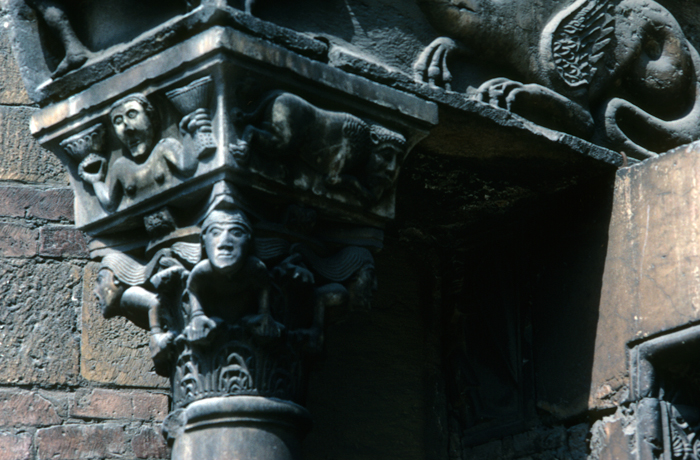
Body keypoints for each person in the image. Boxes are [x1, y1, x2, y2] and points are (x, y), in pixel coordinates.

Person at [78, 93, 201, 211]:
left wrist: (189, 134)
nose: (127, 127)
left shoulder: (164, 147)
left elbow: (189, 167)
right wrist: (96, 181)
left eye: (132, 114)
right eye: (118, 121)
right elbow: (110, 204)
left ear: (152, 118)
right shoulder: (120, 167)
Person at [183, 202, 282, 344]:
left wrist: (264, 314)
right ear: (203, 241)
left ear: (249, 241)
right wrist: (197, 315)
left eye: (237, 233)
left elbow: (264, 286)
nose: (224, 243)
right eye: (215, 233)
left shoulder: (255, 267)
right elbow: (192, 289)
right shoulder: (202, 270)